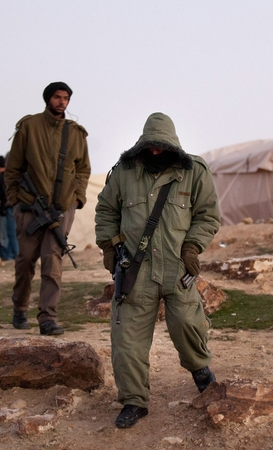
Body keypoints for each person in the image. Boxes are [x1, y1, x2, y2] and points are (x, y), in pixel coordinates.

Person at [94, 112, 221, 428]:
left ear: (172, 146)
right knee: (128, 338)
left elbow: (208, 216)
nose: (154, 153)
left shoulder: (194, 172)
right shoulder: (123, 173)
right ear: (142, 144)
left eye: (160, 147)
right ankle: (134, 401)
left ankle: (202, 374)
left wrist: (192, 246)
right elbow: (106, 211)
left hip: (176, 268)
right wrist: (109, 247)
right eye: (149, 147)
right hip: (135, 271)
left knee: (188, 325)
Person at [5, 81, 91, 335]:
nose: (62, 102)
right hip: (30, 208)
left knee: (52, 263)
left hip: (61, 210)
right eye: (57, 97)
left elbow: (83, 169)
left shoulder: (76, 133)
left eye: (65, 98)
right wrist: (16, 201)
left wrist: (77, 197)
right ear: (48, 99)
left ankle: (47, 317)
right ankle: (20, 307)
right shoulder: (29, 128)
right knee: (25, 262)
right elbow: (13, 169)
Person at [0, 155, 19, 261]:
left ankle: (7, 255)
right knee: (12, 232)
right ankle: (14, 254)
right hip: (10, 207)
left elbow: (2, 193)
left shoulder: (3, 178)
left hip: (5, 208)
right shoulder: (10, 176)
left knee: (5, 233)